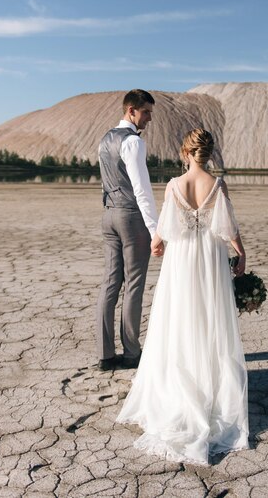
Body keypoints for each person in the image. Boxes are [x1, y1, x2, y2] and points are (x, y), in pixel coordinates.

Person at [116, 128, 249, 465]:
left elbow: (162, 230)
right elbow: (228, 227)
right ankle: (212, 393)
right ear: (208, 153)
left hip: (182, 261)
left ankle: (178, 391)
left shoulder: (174, 185)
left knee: (178, 321)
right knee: (209, 321)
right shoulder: (217, 185)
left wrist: (157, 243)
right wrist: (241, 254)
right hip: (209, 261)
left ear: (186, 153)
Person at [97, 89, 164, 371]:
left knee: (111, 284)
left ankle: (105, 354)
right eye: (146, 112)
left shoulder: (105, 139)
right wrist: (156, 230)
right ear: (131, 111)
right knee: (134, 285)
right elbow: (142, 191)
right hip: (131, 217)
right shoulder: (133, 143)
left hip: (109, 214)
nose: (149, 118)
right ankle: (131, 353)